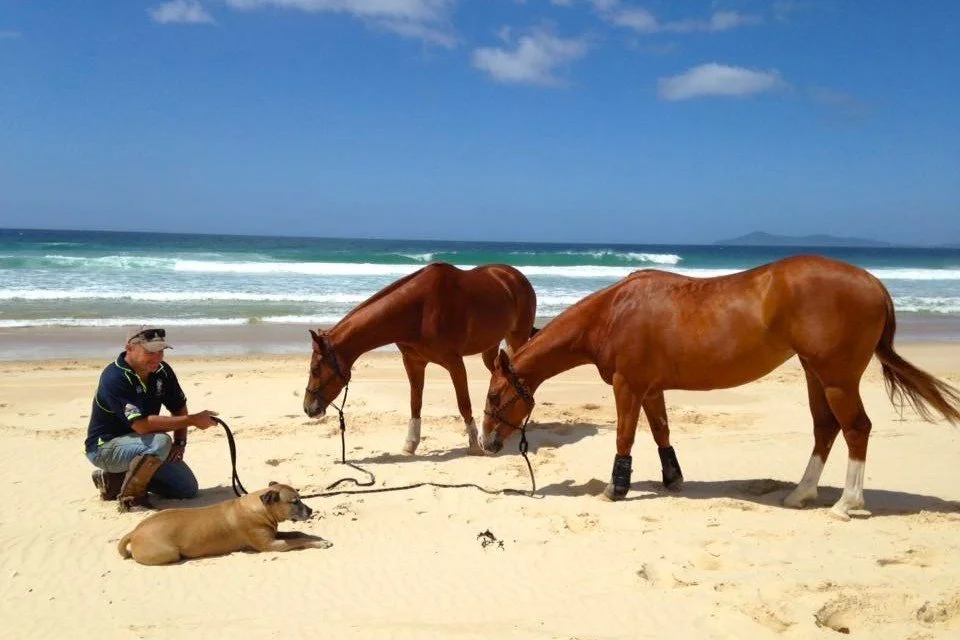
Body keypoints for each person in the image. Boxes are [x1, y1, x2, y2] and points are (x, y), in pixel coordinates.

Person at [85, 326, 219, 512]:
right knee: (161, 441)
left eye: (161, 351)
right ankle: (131, 499)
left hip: (145, 445)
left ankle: (113, 480)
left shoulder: (162, 371)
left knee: (187, 490)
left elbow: (178, 406)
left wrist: (180, 442)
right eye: (150, 351)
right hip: (105, 448)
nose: (157, 357)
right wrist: (193, 420)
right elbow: (141, 426)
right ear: (129, 348)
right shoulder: (115, 377)